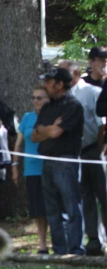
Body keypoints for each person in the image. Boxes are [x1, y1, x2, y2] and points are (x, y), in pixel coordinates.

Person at [33, 67, 85, 255]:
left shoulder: (73, 106)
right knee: (52, 208)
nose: (45, 85)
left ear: (60, 84)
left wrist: (46, 130)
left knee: (70, 206)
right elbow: (34, 135)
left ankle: (75, 249)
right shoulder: (47, 107)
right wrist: (49, 129)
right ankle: (59, 249)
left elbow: (55, 132)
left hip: (66, 161)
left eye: (49, 81)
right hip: (47, 160)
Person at [61, 60, 107, 256]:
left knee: (105, 197)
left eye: (63, 74)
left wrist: (99, 151)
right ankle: (94, 241)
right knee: (86, 199)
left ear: (76, 73)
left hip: (95, 152)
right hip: (76, 154)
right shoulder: (64, 96)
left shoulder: (91, 92)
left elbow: (102, 125)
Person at [12, 86, 50, 254]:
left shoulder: (52, 116)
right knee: (37, 209)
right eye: (33, 98)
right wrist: (14, 166)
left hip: (49, 168)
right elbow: (18, 144)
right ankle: (42, 243)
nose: (36, 101)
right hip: (31, 169)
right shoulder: (27, 118)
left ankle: (57, 240)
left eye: (40, 98)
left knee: (52, 206)